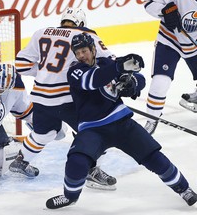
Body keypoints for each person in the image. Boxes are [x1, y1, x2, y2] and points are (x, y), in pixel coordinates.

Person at [45, 32, 197, 209]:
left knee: (154, 158)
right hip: (92, 130)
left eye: (84, 51)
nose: (81, 56)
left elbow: (139, 80)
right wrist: (118, 68)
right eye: (77, 53)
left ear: (93, 49)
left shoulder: (106, 64)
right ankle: (70, 197)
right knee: (76, 162)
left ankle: (184, 189)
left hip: (122, 124)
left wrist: (131, 83)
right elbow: (93, 80)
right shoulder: (75, 70)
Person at [9, 7, 117, 190]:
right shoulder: (85, 34)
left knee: (44, 133)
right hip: (68, 99)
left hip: (41, 97)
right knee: (92, 132)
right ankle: (91, 171)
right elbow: (110, 62)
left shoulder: (41, 33)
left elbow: (21, 64)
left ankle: (20, 161)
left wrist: (45, 74)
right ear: (81, 23)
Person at [143, 0, 197, 134]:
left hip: (194, 44)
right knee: (160, 83)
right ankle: (152, 118)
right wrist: (164, 11)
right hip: (169, 40)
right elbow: (149, 3)